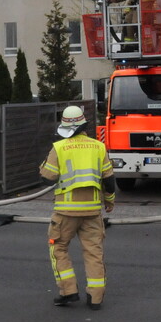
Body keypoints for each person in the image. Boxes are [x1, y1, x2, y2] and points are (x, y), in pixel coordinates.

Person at [39, 105, 116, 310]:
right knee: (94, 253)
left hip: (65, 212)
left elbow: (47, 177)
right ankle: (96, 298)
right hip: (92, 211)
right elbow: (109, 181)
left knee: (58, 248)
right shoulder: (98, 147)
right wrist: (109, 201)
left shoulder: (59, 147)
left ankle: (68, 291)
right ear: (84, 125)